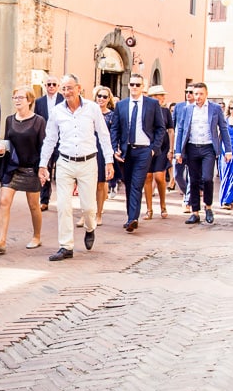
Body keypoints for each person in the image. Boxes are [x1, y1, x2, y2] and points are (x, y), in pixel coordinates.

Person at [38, 74, 114, 261]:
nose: (66, 92)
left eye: (69, 88)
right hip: (65, 162)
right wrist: (43, 164)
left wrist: (109, 160)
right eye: (63, 88)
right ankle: (66, 246)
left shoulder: (93, 108)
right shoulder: (57, 111)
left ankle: (90, 228)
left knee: (88, 208)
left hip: (88, 163)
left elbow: (104, 135)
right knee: (64, 206)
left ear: (79, 88)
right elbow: (50, 139)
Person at [0, 86, 45, 253]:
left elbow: (43, 146)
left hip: (30, 168)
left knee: (34, 205)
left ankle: (37, 236)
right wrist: (1, 148)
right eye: (15, 97)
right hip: (12, 167)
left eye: (21, 97)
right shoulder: (9, 119)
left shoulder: (38, 121)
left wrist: (42, 168)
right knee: (4, 201)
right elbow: (7, 141)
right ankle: (1, 241)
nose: (17, 100)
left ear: (29, 100)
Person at [110, 74, 165, 232]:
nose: (134, 87)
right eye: (132, 84)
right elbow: (115, 128)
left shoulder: (152, 104)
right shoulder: (121, 105)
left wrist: (153, 149)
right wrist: (115, 147)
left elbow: (160, 128)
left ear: (143, 87)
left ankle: (133, 218)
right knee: (128, 184)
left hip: (144, 150)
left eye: (137, 85)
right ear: (129, 86)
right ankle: (130, 217)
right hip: (126, 150)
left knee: (137, 184)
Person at [174, 82, 232, 225]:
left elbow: (223, 129)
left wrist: (228, 150)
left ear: (206, 94)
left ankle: (208, 207)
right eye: (196, 94)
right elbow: (180, 130)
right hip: (192, 147)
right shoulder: (187, 109)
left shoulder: (215, 109)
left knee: (207, 178)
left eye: (201, 94)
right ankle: (195, 212)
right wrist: (178, 151)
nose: (198, 96)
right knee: (193, 180)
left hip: (208, 148)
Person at [86, 85, 117, 226]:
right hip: (88, 148)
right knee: (86, 184)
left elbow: (113, 134)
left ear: (108, 99)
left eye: (105, 96)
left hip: (103, 150)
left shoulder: (112, 115)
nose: (101, 99)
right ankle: (85, 214)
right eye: (99, 96)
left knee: (100, 184)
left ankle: (98, 214)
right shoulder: (88, 112)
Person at [33, 75, 64, 211]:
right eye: (48, 84)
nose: (51, 86)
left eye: (54, 84)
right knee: (45, 168)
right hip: (45, 141)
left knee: (62, 170)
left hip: (62, 140)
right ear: (45, 86)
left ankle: (64, 200)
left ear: (58, 87)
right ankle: (44, 200)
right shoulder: (39, 102)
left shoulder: (63, 100)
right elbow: (36, 120)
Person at [142, 85, 173, 220]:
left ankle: (163, 205)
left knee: (159, 177)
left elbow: (171, 130)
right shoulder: (145, 110)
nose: (163, 98)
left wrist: (171, 149)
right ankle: (149, 209)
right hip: (147, 145)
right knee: (147, 177)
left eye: (162, 95)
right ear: (153, 97)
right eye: (160, 95)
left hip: (162, 146)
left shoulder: (166, 111)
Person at [173, 86, 196, 212]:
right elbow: (174, 127)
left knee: (192, 174)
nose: (188, 94)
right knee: (177, 174)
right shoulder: (179, 107)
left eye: (191, 92)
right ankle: (188, 191)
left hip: (192, 146)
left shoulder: (198, 109)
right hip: (179, 146)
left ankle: (188, 200)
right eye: (186, 91)